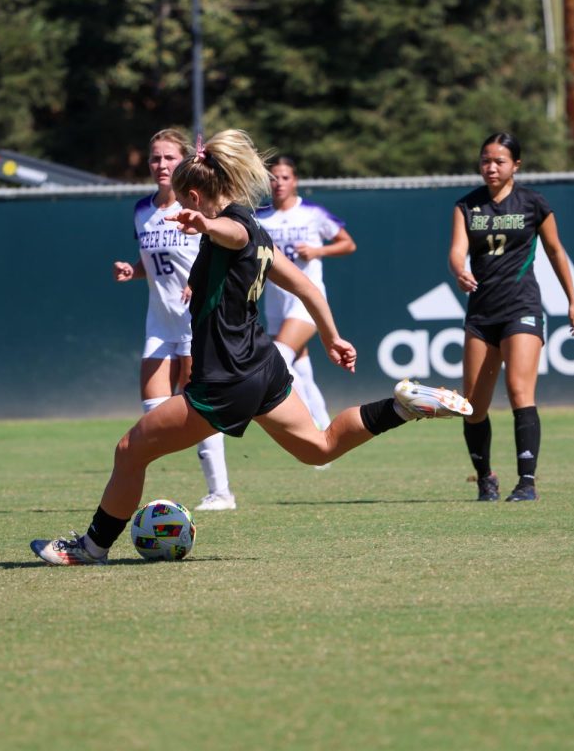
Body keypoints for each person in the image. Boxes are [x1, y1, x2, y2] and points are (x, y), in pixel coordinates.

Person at [31, 129, 472, 565]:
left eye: (186, 201)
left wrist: (205, 223)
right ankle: (403, 407)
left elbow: (229, 232)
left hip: (226, 377)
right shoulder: (260, 231)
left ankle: (91, 548)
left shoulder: (233, 228)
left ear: (195, 194)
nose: (182, 210)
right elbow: (307, 288)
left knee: (130, 450)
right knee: (318, 448)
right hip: (264, 368)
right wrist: (331, 335)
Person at [448, 132, 574, 503]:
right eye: (486, 160)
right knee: (473, 406)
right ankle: (484, 477)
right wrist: (459, 269)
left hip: (521, 307)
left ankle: (527, 482)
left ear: (516, 166)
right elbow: (457, 252)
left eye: (500, 161)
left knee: (520, 392)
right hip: (481, 312)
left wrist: (572, 300)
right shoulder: (466, 206)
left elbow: (555, 251)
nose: (491, 167)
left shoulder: (533, 203)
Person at [113, 128, 239, 512]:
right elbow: (156, 262)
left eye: (169, 157)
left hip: (193, 320)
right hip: (160, 321)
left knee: (197, 405)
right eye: (155, 158)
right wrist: (133, 270)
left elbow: (222, 252)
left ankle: (221, 492)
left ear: (184, 161)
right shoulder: (141, 210)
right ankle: (142, 485)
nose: (161, 165)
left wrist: (198, 281)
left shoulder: (197, 205)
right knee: (153, 406)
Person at [256, 157, 356, 431]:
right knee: (301, 371)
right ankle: (325, 429)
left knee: (278, 358)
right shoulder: (260, 216)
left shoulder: (312, 213)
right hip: (276, 302)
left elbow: (348, 244)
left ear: (295, 181)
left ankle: (308, 429)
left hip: (306, 300)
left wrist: (317, 251)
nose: (279, 183)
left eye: (285, 177)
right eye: (274, 178)